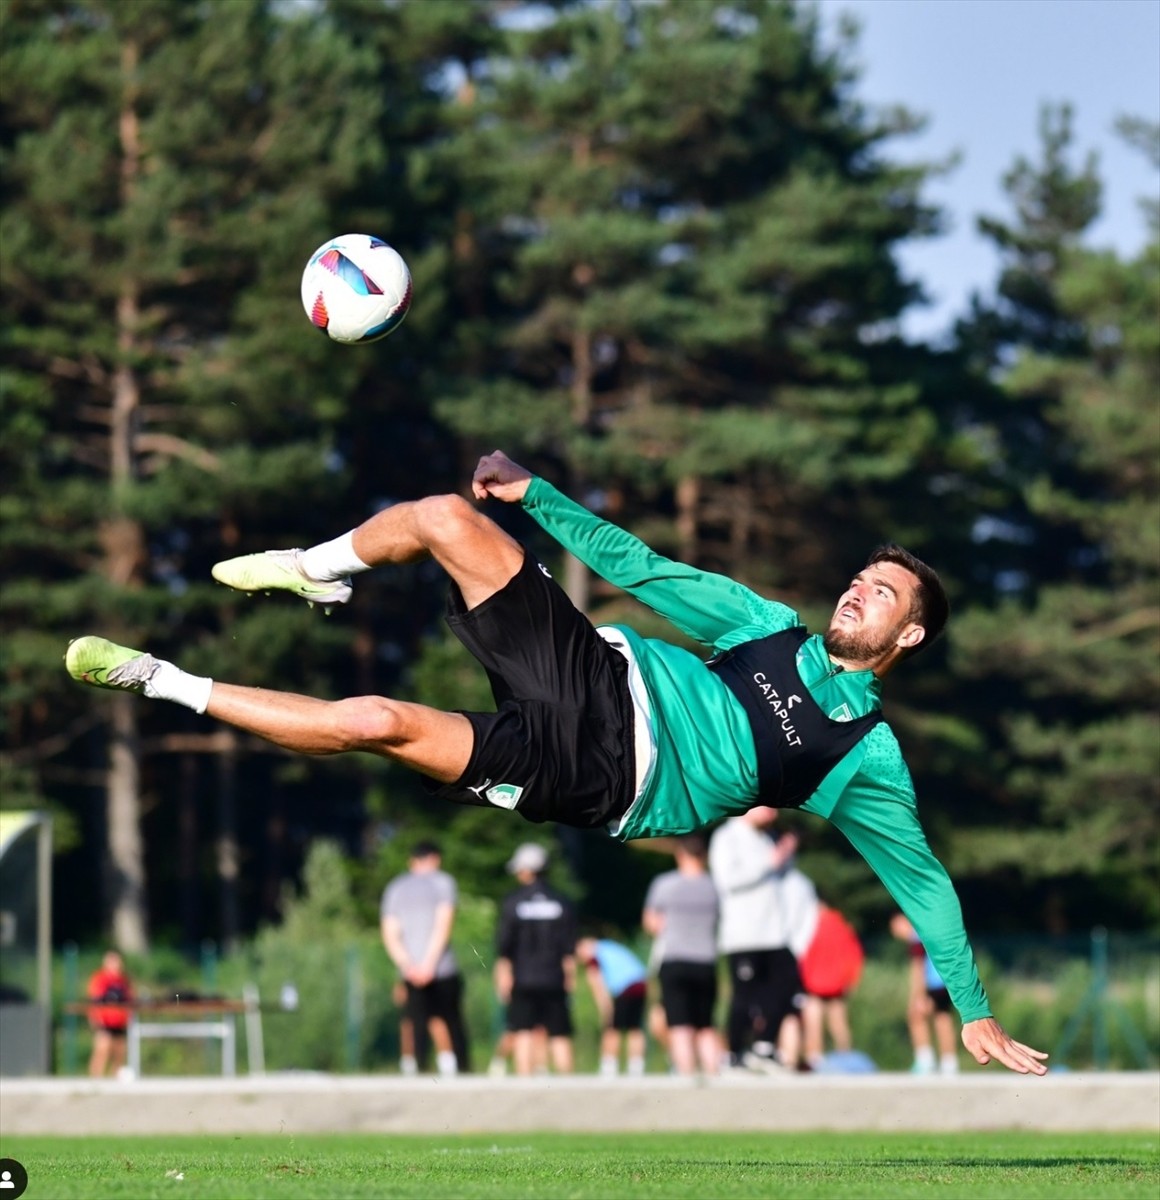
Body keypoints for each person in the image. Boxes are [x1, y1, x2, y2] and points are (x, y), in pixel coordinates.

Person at [64, 448, 1046, 1075]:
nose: (857, 591)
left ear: (907, 637)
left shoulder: (864, 754)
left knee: (374, 719)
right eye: (859, 578)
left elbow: (923, 885)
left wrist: (970, 1007)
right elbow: (643, 569)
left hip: (602, 780)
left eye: (881, 594)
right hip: (593, 675)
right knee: (445, 516)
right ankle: (317, 571)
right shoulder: (768, 626)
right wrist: (536, 496)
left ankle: (156, 678)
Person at [710, 811, 806, 1071]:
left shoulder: (766, 837)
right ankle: (734, 1054)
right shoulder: (726, 837)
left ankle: (764, 1047)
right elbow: (726, 880)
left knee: (786, 986)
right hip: (745, 935)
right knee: (744, 997)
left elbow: (782, 879)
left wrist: (786, 854)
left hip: (775, 933)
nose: (773, 812)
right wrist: (769, 861)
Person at [380, 840, 470, 1076]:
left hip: (410, 971)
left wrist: (408, 965)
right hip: (441, 968)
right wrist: (428, 964)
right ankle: (455, 1067)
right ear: (435, 858)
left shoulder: (395, 887)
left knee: (414, 1021)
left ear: (411, 860)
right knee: (449, 1020)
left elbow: (390, 933)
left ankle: (414, 1068)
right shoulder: (443, 882)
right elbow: (443, 925)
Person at [641, 834, 723, 1076]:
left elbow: (652, 924)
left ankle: (686, 1077)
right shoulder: (714, 886)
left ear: (680, 855)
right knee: (706, 1025)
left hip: (675, 959)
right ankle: (714, 1075)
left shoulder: (665, 884)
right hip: (706, 960)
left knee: (680, 1025)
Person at [494, 842, 577, 1075]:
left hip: (523, 977)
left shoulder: (513, 902)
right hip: (554, 977)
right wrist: (570, 979)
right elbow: (569, 949)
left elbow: (504, 948)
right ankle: (568, 1085)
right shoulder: (562, 901)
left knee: (523, 1031)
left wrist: (503, 977)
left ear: (527, 870)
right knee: (559, 1034)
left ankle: (524, 1083)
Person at [891, 912, 960, 1075]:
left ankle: (925, 1061)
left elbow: (918, 968)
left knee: (915, 1016)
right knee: (943, 1018)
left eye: (895, 928)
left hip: (932, 984)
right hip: (947, 981)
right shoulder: (930, 930)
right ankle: (949, 1062)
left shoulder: (916, 938)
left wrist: (917, 996)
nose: (895, 933)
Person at [798, 903, 865, 1070]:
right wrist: (852, 979)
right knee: (839, 1024)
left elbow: (803, 955)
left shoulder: (810, 926)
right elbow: (854, 955)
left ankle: (815, 1060)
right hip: (838, 984)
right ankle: (846, 1060)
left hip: (813, 984)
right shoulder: (843, 926)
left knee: (813, 1023)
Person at [576, 935, 649, 1077]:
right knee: (635, 1027)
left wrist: (606, 1009)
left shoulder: (594, 957)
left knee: (612, 1028)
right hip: (640, 983)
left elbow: (597, 985)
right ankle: (636, 1067)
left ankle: (608, 1066)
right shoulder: (609, 946)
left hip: (625, 987)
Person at [87, 949, 133, 1078]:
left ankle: (115, 1078)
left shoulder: (123, 980)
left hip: (120, 1021)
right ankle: (95, 1078)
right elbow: (95, 1000)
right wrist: (95, 1018)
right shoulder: (100, 978)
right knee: (102, 1050)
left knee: (120, 1052)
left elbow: (130, 999)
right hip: (104, 1020)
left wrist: (128, 1018)